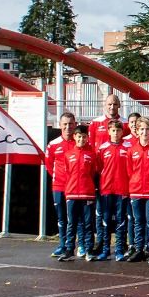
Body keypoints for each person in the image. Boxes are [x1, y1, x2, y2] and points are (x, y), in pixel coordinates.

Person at [59, 123, 98, 261]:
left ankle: (89, 250)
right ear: (75, 137)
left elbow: (93, 172)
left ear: (88, 138)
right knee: (72, 223)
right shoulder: (68, 154)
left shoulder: (91, 154)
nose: (82, 140)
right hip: (72, 193)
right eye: (79, 137)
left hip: (87, 193)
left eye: (84, 137)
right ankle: (69, 250)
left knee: (88, 223)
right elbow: (67, 172)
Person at [95, 121, 132, 262]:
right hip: (106, 189)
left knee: (121, 221)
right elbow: (98, 168)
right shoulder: (102, 148)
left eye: (118, 131)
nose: (116, 133)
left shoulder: (128, 147)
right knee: (105, 221)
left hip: (122, 189)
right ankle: (105, 250)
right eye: (113, 131)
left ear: (122, 132)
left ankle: (119, 250)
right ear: (108, 132)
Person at [45, 112, 77, 258]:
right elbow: (49, 165)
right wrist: (59, 178)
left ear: (75, 124)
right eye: (65, 124)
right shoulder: (53, 144)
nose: (68, 127)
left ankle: (78, 245)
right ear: (60, 125)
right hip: (59, 186)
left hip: (76, 188)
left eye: (70, 124)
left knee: (76, 218)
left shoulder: (80, 142)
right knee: (61, 218)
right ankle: (62, 244)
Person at [126, 119, 149, 261]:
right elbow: (129, 171)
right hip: (136, 190)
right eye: (141, 129)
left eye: (147, 129)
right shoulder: (131, 150)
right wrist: (135, 183)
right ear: (137, 131)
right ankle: (139, 249)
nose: (144, 132)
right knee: (138, 221)